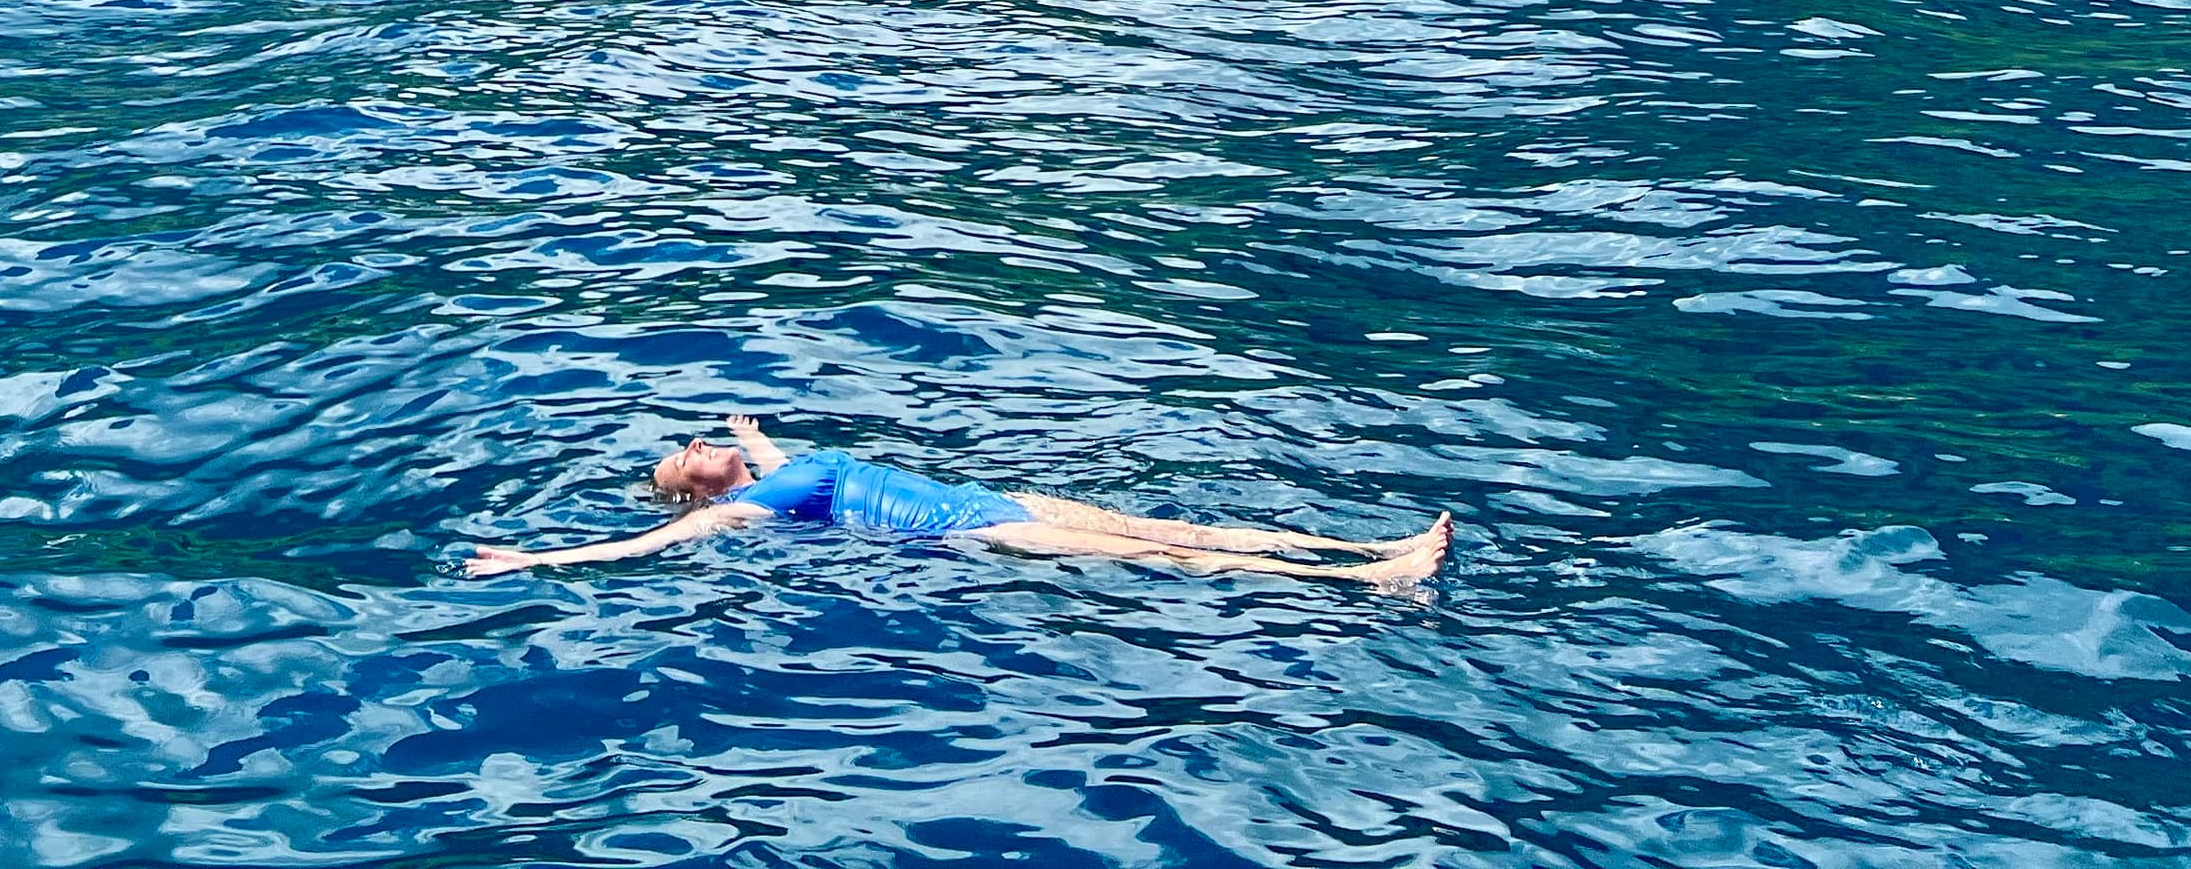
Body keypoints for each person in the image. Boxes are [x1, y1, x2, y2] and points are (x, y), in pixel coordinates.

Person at [461, 415, 1450, 585]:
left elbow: (778, 455)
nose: (695, 449)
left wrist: (750, 433)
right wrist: (536, 557)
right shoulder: (738, 513)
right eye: (685, 461)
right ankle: (1375, 582)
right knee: (1173, 556)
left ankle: (1368, 545)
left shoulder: (770, 473)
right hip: (979, 531)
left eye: (694, 444)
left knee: (1181, 525)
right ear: (691, 493)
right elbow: (636, 550)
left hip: (996, 495)